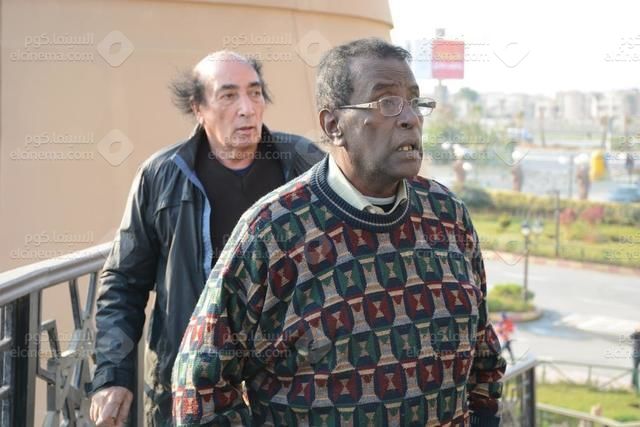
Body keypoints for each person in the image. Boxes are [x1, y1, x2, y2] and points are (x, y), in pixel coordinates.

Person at [172, 38, 506, 426]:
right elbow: (201, 389)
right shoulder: (273, 232)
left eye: (415, 102)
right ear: (333, 126)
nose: (410, 118)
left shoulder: (449, 217)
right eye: (386, 102)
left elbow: (484, 361)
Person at [90, 51, 323, 426]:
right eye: (228, 95)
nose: (246, 108)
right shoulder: (161, 176)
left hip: (291, 384)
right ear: (198, 108)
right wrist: (112, 375)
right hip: (192, 382)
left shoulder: (304, 164)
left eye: (255, 93)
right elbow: (123, 282)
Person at [631, 327, 640, 392]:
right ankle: (634, 384)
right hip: (636, 353)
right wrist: (637, 331)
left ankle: (634, 384)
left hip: (636, 353)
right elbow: (631, 336)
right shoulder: (636, 334)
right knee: (635, 369)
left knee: (635, 369)